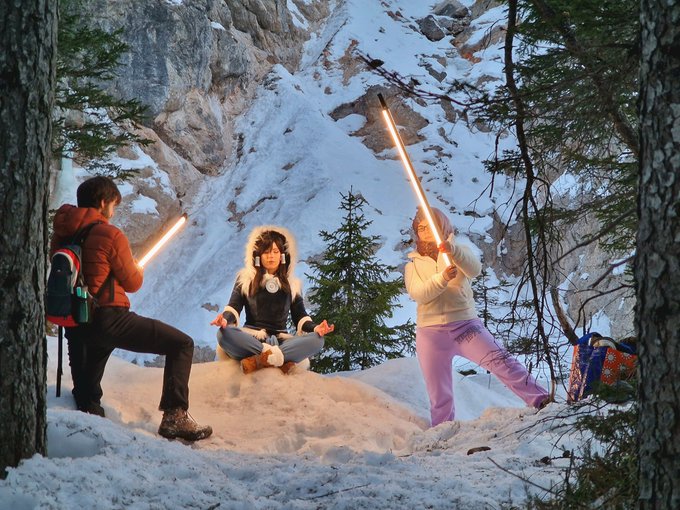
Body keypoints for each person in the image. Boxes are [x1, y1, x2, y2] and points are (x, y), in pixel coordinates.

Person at [50, 176, 212, 441]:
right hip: (109, 319)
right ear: (103, 202)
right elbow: (133, 282)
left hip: (75, 322)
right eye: (113, 205)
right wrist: (135, 267)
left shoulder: (62, 234)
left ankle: (88, 439)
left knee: (86, 396)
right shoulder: (109, 234)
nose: (113, 212)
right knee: (181, 344)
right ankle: (175, 417)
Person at [404, 207, 550, 427]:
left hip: (465, 326)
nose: (423, 230)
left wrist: (452, 251)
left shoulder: (458, 250)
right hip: (430, 334)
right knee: (438, 390)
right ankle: (442, 429)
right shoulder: (413, 265)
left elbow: (474, 269)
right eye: (420, 227)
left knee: (501, 361)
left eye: (428, 225)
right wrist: (442, 279)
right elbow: (419, 294)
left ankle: (542, 400)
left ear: (440, 226)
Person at [211, 225, 334, 374]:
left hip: (281, 341)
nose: (271, 256)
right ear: (258, 255)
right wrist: (225, 320)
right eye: (266, 252)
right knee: (223, 334)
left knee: (317, 340)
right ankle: (276, 358)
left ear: (282, 255)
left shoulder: (292, 284)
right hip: (252, 339)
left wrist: (316, 328)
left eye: (275, 252)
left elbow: (300, 316)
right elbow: (233, 307)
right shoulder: (245, 279)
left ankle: (259, 360)